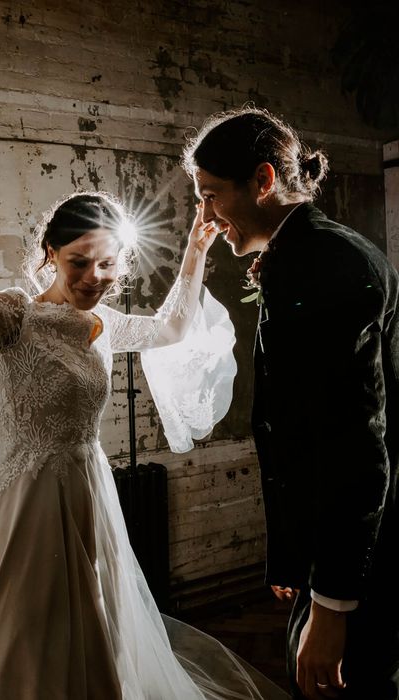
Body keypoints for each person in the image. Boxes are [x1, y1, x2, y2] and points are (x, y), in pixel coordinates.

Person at [0, 116, 287, 699]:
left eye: (108, 264)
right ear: (50, 253)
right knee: (27, 643)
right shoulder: (14, 319)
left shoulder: (102, 324)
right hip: (28, 507)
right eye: (80, 262)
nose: (95, 278)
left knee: (95, 640)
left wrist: (197, 250)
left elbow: (173, 327)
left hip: (89, 492)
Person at [182, 107, 399, 700]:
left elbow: (357, 445)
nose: (205, 216)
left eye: (210, 194)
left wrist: (331, 607)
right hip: (335, 558)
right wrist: (292, 557)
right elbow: (298, 427)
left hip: (363, 569)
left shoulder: (325, 266)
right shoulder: (308, 254)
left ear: (262, 180)